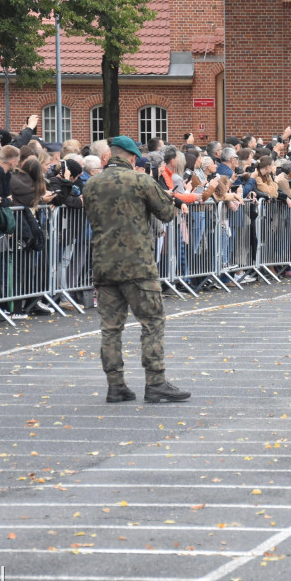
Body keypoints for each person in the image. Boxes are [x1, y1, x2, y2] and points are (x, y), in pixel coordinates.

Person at [82, 136, 190, 404]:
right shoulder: (141, 181)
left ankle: (115, 385)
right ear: (132, 157)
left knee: (110, 328)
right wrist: (167, 198)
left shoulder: (92, 184)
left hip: (104, 265)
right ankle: (155, 382)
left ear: (110, 155)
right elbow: (166, 214)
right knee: (152, 323)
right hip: (138, 265)